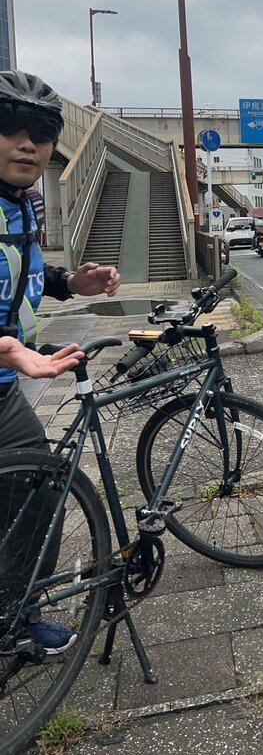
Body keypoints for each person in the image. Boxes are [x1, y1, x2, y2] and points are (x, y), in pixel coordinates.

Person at [0, 69, 121, 654]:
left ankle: (15, 620)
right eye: (11, 127)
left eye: (43, 132)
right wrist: (8, 348)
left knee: (35, 492)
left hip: (4, 385)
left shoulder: (23, 205)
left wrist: (72, 281)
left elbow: (23, 276)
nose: (29, 143)